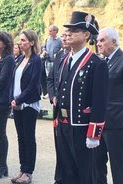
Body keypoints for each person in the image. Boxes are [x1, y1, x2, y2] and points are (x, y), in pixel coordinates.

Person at [54, 11, 108, 184]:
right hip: (63, 125)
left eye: (74, 30)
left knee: (85, 173)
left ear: (86, 35)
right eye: (68, 30)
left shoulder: (96, 63)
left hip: (82, 127)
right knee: (65, 171)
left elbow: (100, 101)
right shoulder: (63, 60)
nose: (68, 33)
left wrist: (94, 134)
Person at [96, 27, 123, 184]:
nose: (98, 44)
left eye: (102, 40)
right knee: (97, 164)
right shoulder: (102, 62)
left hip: (117, 123)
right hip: (99, 123)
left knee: (118, 166)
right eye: (97, 41)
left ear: (113, 42)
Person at [9, 30, 42, 184]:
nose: (20, 43)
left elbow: (33, 85)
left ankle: (28, 172)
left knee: (29, 138)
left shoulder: (36, 60)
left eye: (23, 40)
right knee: (21, 137)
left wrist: (19, 100)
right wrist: (12, 99)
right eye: (20, 40)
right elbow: (13, 81)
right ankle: (22, 169)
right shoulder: (20, 58)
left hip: (28, 104)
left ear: (32, 42)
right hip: (17, 104)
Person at [46, 28, 71, 184]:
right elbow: (50, 80)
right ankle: (59, 177)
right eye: (62, 36)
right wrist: (53, 96)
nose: (64, 38)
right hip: (57, 107)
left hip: (71, 110)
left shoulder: (78, 58)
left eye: (67, 35)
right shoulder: (59, 56)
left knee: (69, 145)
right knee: (59, 143)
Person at [0, 31, 15, 179]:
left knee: (0, 132)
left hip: (1, 101)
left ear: (5, 43)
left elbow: (3, 80)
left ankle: (2, 166)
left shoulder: (9, 59)